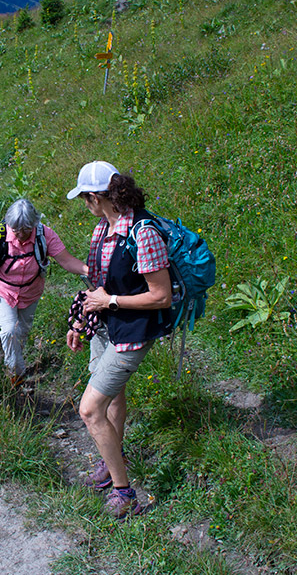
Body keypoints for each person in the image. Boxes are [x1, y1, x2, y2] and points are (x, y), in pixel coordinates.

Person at [65, 161, 173, 519]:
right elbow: (97, 282)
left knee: (89, 409)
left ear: (97, 197)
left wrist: (110, 302)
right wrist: (82, 322)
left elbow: (161, 296)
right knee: (112, 399)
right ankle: (113, 461)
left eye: (85, 198)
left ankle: (125, 492)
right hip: (105, 327)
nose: (85, 205)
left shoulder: (143, 232)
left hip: (133, 333)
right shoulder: (102, 230)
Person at [0, 198, 87, 387]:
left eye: (26, 230)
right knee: (10, 330)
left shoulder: (45, 235)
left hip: (31, 292)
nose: (21, 234)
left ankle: (10, 356)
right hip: (2, 289)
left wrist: (89, 271)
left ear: (34, 223)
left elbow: (66, 260)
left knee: (21, 333)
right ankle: (16, 375)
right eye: (16, 230)